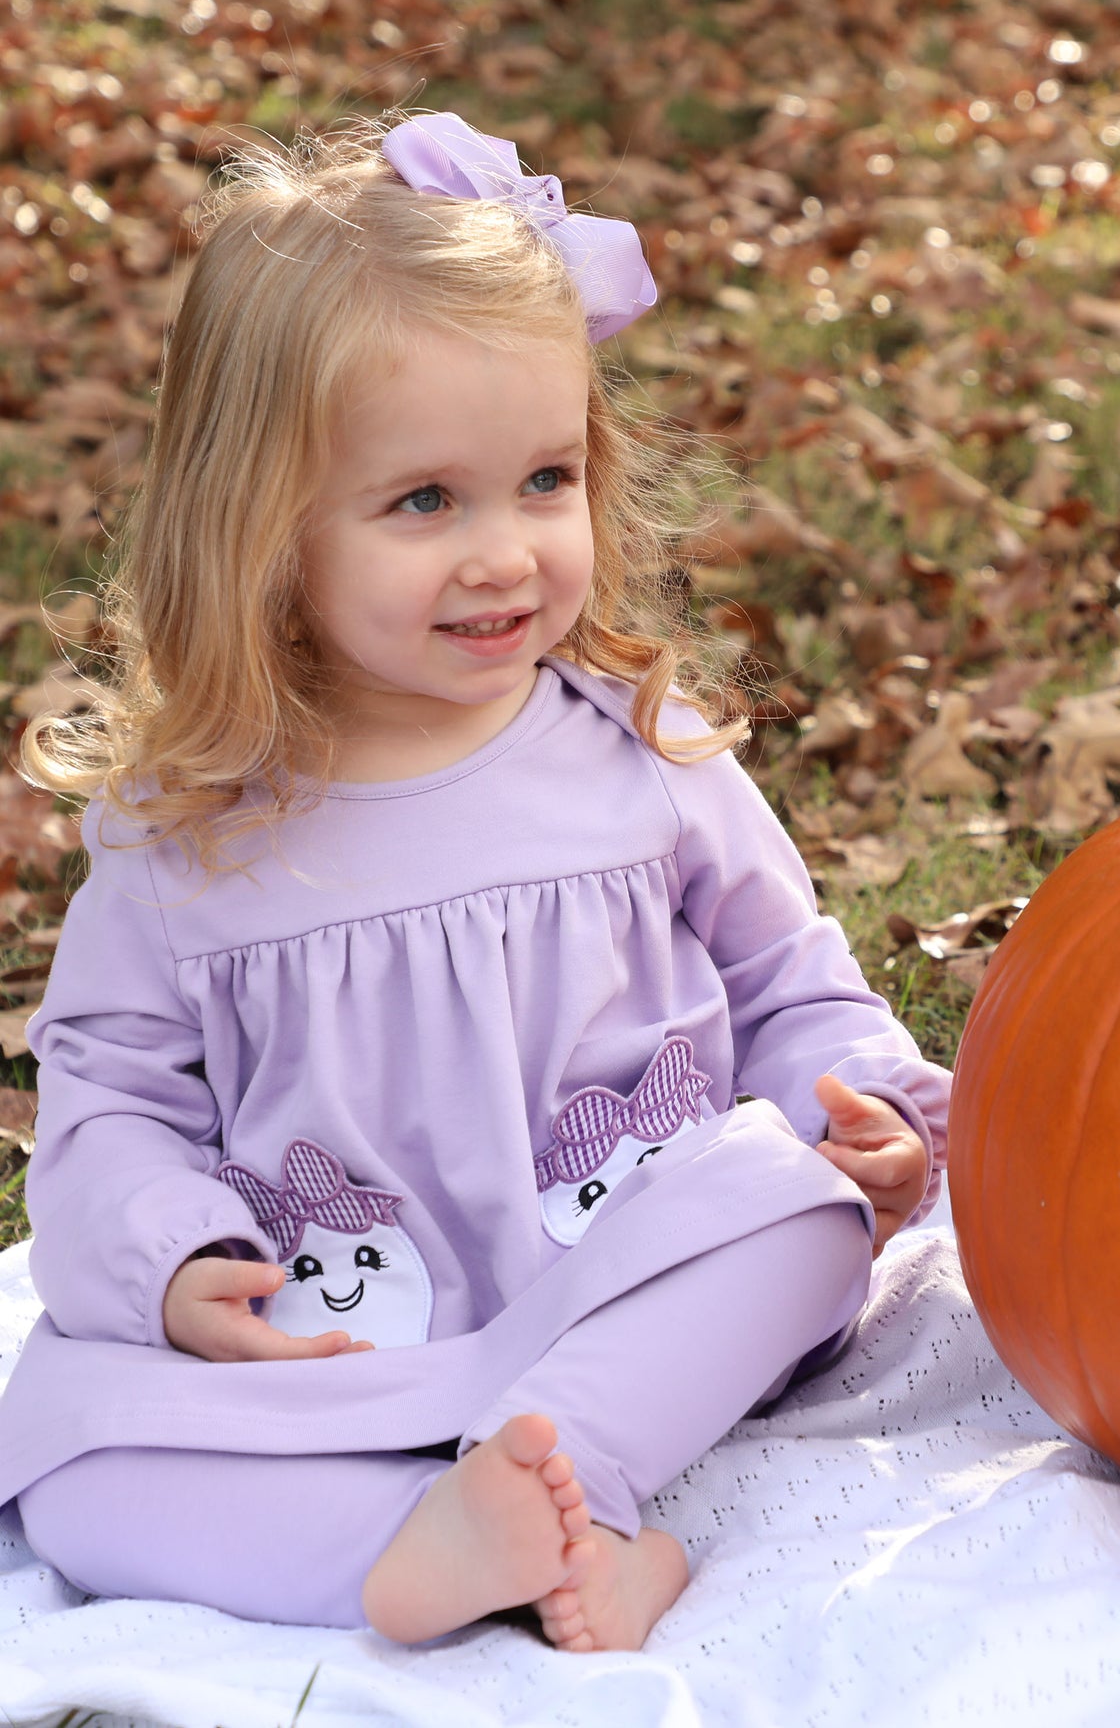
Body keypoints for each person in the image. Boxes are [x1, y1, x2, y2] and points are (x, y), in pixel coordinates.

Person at [0, 112, 952, 1652]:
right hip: (335, 1322)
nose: (504, 553)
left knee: (800, 1213)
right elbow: (110, 1088)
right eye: (424, 502)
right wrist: (170, 1257)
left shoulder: (644, 753)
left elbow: (791, 973)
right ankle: (457, 1539)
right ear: (264, 531)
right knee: (84, 1487)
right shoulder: (190, 830)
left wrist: (865, 1100)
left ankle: (578, 1469)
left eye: (544, 480)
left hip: (628, 1280)